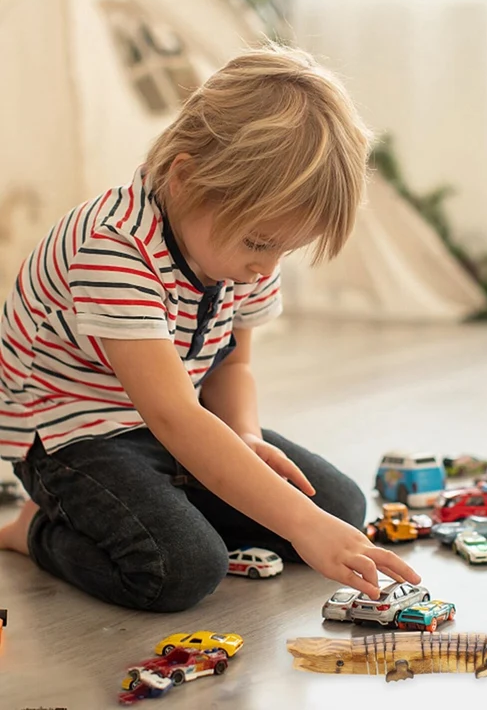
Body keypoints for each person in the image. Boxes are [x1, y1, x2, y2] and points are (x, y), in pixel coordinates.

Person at [0, 42, 420, 611]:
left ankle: (163, 505)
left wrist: (245, 436)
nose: (268, 268)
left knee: (339, 508)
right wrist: (296, 522)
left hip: (175, 423)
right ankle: (32, 530)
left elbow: (233, 364)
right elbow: (175, 416)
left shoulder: (240, 253)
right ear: (185, 179)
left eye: (286, 251)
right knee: (182, 568)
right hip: (73, 440)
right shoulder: (113, 250)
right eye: (260, 244)